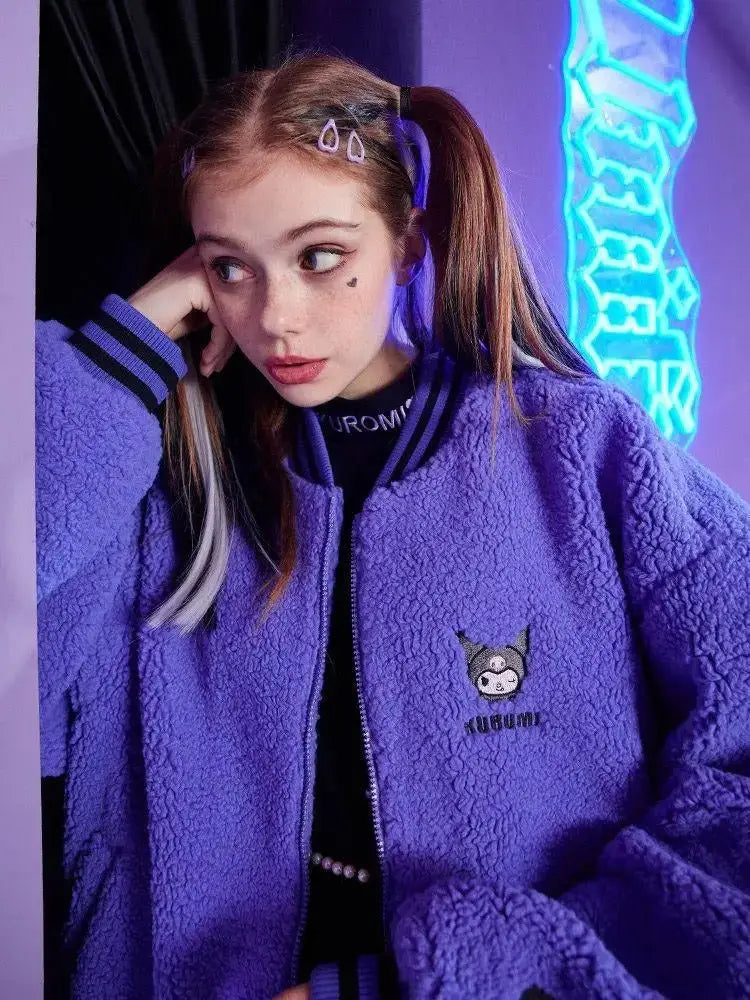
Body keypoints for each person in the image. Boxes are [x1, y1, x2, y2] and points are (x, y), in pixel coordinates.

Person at [35, 52, 750, 1000]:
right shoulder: (164, 485)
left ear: (407, 244)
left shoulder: (581, 448)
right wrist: (118, 358)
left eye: (318, 256)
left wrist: (485, 972)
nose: (276, 319)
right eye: (229, 267)